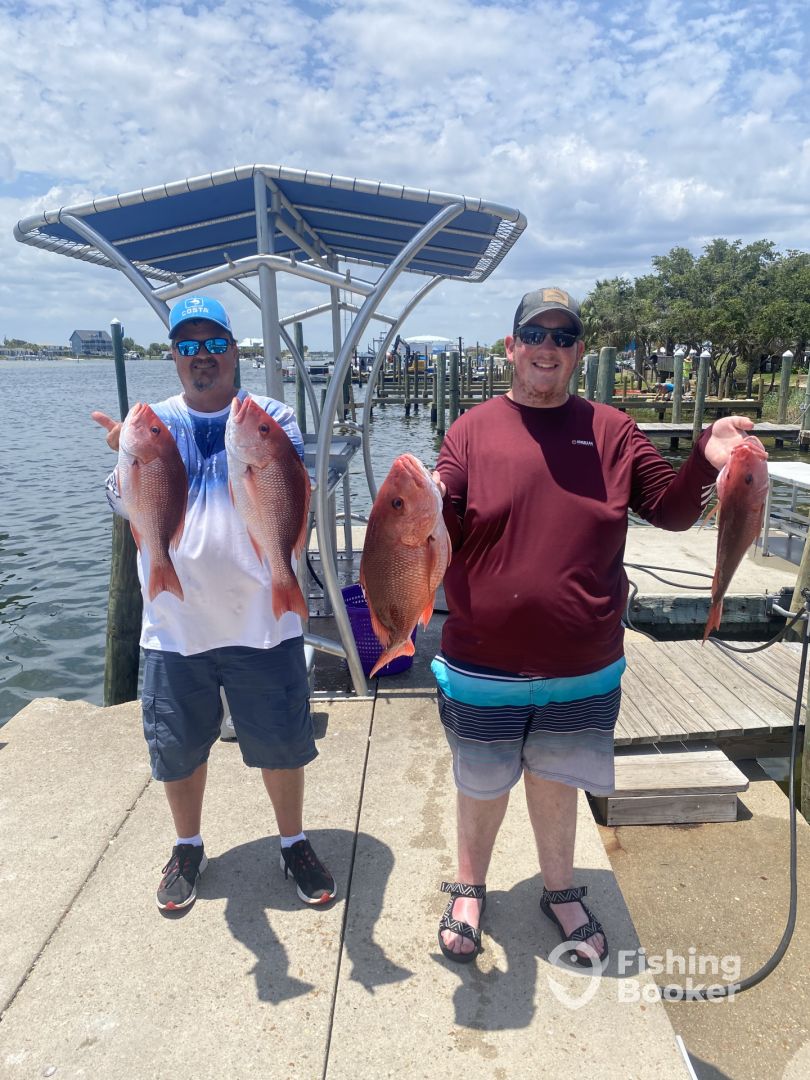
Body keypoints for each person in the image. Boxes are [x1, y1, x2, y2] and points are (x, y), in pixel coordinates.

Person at [431, 287, 753, 965]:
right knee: (480, 783)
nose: (547, 347)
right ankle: (469, 887)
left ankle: (560, 889)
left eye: (563, 336)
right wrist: (424, 498)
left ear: (579, 352)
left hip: (583, 660)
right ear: (511, 347)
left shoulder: (613, 430)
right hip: (482, 659)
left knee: (557, 780)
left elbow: (671, 510)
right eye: (534, 334)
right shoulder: (471, 429)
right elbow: (444, 506)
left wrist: (707, 456)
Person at [94, 295, 336, 912]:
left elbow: (293, 491)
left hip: (263, 621)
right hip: (175, 626)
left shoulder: (271, 416)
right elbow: (123, 505)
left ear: (233, 350)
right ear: (174, 355)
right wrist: (125, 459)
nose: (201, 356)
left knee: (282, 743)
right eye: (187, 345)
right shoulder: (152, 422)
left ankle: (294, 841)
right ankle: (188, 846)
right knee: (177, 749)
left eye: (213, 343)